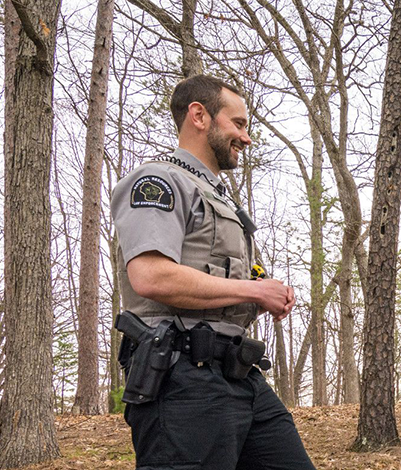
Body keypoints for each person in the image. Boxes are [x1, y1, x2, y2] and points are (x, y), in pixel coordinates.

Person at [111, 74, 314, 469]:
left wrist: (259, 292)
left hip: (238, 374)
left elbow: (215, 284)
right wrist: (253, 293)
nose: (247, 137)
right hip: (180, 380)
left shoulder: (218, 197)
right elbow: (151, 276)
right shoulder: (159, 181)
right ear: (199, 116)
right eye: (238, 124)